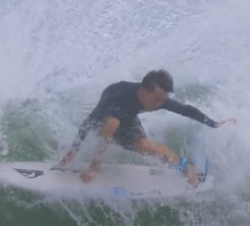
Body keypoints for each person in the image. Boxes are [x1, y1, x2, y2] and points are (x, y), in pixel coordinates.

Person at [59, 70, 235, 185]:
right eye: (156, 99)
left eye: (163, 99)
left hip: (126, 118)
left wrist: (214, 124)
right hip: (106, 117)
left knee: (145, 146)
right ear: (143, 91)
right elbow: (89, 122)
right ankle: (94, 166)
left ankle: (186, 166)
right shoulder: (118, 96)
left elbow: (186, 110)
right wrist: (73, 150)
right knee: (112, 123)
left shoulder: (157, 99)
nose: (160, 104)